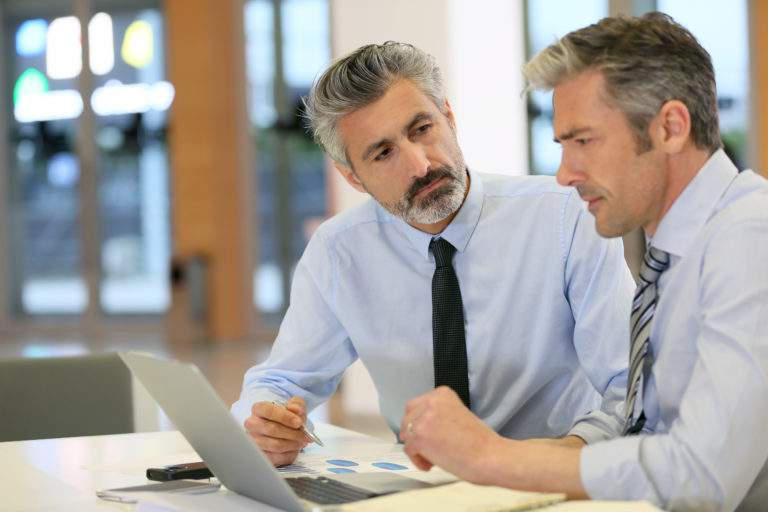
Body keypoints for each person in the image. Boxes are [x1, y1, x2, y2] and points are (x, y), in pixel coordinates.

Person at [400, 12, 768, 512]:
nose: (564, 175)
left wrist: (493, 457)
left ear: (671, 128)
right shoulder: (675, 252)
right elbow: (648, 430)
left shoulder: (750, 236)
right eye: (561, 145)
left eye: (583, 141)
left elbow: (700, 474)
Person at [231, 41, 635, 467]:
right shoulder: (339, 251)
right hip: (422, 485)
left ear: (449, 117)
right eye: (383, 153)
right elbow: (279, 380)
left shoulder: (566, 216)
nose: (420, 165)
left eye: (422, 128)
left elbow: (630, 386)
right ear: (353, 177)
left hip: (552, 474)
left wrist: (564, 455)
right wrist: (267, 423)